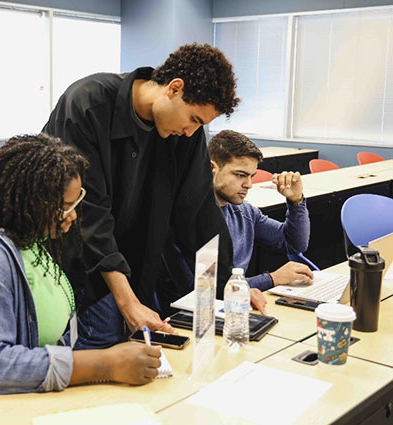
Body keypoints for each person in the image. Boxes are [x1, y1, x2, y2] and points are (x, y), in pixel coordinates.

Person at [0, 134, 162, 415]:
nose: (73, 215)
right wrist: (104, 363)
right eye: (65, 206)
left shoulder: (30, 239)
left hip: (28, 398)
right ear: (29, 202)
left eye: (76, 202)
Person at [43, 43, 240, 349]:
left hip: (136, 261)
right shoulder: (87, 104)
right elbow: (88, 213)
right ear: (174, 89)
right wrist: (126, 301)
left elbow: (198, 211)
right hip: (83, 262)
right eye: (194, 119)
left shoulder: (184, 133)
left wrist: (230, 284)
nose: (191, 132)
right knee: (102, 362)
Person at [209, 130, 314, 290]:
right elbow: (208, 289)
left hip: (237, 304)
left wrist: (296, 201)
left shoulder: (245, 213)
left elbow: (294, 244)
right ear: (212, 168)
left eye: (251, 176)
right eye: (240, 175)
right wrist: (272, 279)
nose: (249, 184)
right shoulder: (194, 218)